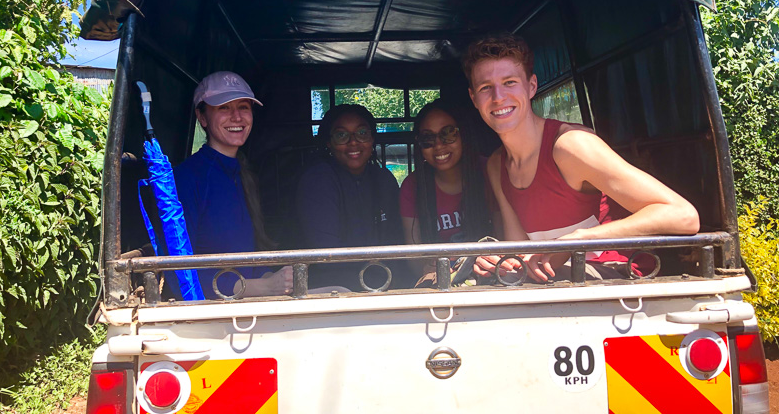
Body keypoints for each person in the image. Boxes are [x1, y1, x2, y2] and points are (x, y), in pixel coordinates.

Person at [465, 33, 700, 282]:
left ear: (532, 86)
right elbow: (521, 252)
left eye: (510, 82)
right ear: (473, 98)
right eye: (485, 88)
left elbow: (683, 215)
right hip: (551, 285)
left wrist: (580, 239)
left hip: (616, 276)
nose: (498, 97)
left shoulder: (571, 146)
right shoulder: (495, 165)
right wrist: (496, 262)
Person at [173, 71, 292, 299]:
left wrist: (272, 278)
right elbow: (179, 273)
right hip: (212, 316)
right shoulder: (188, 178)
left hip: (247, 303)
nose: (236, 117)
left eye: (244, 107)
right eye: (224, 108)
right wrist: (264, 288)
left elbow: (247, 260)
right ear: (203, 117)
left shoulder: (242, 174)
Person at [296, 104, 403, 290]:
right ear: (329, 142)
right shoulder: (317, 180)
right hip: (334, 287)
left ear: (372, 139)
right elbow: (327, 255)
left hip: (384, 280)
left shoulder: (384, 178)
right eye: (341, 135)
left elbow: (397, 238)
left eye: (362, 133)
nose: (353, 142)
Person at [400, 99, 496, 279]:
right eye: (427, 139)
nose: (438, 145)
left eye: (448, 134)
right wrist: (428, 268)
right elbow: (413, 257)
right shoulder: (412, 186)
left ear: (463, 135)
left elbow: (506, 237)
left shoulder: (490, 171)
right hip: (439, 283)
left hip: (492, 276)